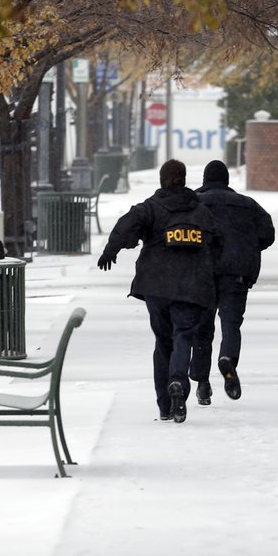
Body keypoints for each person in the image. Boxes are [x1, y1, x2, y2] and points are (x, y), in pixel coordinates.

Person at [97, 159, 221, 423]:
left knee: (163, 342)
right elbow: (217, 244)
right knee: (183, 337)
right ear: (185, 179)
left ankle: (165, 406)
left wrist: (112, 250)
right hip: (191, 287)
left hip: (157, 287)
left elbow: (127, 224)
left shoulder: (151, 208)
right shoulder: (201, 212)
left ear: (162, 180)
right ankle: (177, 382)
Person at [190, 160, 275, 404]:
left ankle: (202, 384)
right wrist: (247, 246)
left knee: (202, 329)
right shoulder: (247, 205)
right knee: (231, 323)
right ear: (227, 180)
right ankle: (227, 358)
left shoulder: (194, 202)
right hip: (235, 274)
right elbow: (267, 234)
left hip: (201, 275)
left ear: (205, 180)